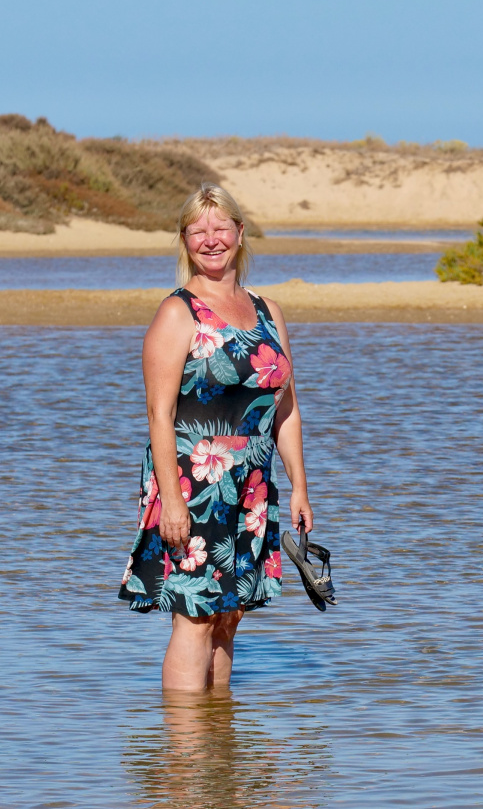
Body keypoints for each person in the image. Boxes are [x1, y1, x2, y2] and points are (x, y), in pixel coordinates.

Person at [119, 183, 313, 690]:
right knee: (196, 614)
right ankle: (182, 757)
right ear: (183, 240)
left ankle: (220, 747)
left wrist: (299, 487)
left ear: (240, 233)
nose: (210, 239)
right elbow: (159, 414)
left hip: (253, 484)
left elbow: (285, 405)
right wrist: (173, 503)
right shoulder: (177, 312)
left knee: (230, 613)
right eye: (197, 230)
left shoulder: (268, 310)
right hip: (193, 481)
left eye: (220, 227)